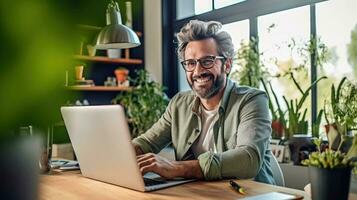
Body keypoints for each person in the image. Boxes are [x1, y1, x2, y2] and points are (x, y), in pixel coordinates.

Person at [132, 20, 275, 184]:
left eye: (207, 61)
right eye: (191, 63)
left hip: (251, 195)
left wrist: (176, 168)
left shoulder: (252, 100)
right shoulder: (179, 104)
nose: (198, 71)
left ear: (227, 65)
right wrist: (116, 156)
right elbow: (147, 143)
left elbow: (249, 159)